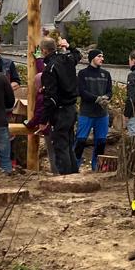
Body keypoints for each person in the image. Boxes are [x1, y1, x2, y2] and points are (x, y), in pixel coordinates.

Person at [39, 35, 80, 173]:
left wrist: (43, 119)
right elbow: (77, 55)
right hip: (71, 108)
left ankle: (66, 177)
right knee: (69, 144)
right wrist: (68, 46)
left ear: (44, 51)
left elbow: (51, 98)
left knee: (61, 146)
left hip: (60, 110)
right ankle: (74, 174)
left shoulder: (50, 69)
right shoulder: (67, 59)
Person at [76, 48, 114, 171]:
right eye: (99, 56)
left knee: (101, 142)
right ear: (92, 58)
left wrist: (106, 98)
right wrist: (96, 99)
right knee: (81, 140)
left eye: (102, 56)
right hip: (86, 113)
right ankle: (74, 166)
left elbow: (110, 91)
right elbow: (82, 92)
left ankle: (96, 167)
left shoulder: (106, 74)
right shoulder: (83, 74)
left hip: (102, 115)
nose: (102, 59)